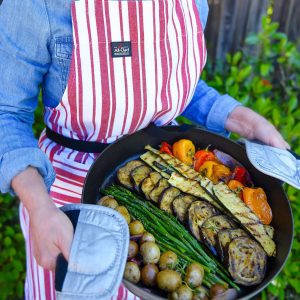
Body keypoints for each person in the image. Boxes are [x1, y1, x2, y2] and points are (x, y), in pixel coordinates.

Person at [0, 0, 289, 299]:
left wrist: (246, 120)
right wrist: (39, 208)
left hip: (168, 175)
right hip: (66, 207)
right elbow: (6, 112)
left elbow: (168, 82)